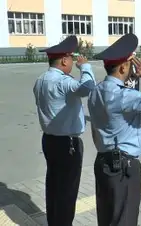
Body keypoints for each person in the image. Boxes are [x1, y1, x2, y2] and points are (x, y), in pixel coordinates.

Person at [88, 33, 141, 225]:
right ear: (124, 66)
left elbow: (94, 130)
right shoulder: (124, 96)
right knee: (124, 220)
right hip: (123, 168)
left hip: (102, 161)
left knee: (108, 219)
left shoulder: (95, 91)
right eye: (130, 64)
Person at [33, 35, 96, 226]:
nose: (72, 61)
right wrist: (85, 66)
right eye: (70, 58)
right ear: (64, 60)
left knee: (53, 186)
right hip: (67, 144)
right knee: (67, 191)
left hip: (49, 140)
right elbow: (88, 87)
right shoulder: (63, 81)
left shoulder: (40, 80)